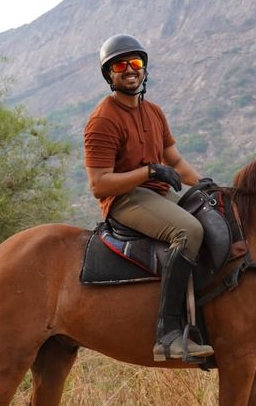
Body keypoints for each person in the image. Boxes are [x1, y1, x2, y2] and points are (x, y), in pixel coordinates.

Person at [84, 34, 214, 362]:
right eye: (120, 65)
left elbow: (175, 160)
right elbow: (100, 184)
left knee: (213, 217)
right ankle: (168, 333)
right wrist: (149, 173)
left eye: (136, 63)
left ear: (144, 69)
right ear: (109, 75)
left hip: (157, 194)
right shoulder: (103, 119)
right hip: (125, 200)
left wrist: (206, 185)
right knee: (189, 231)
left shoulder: (154, 112)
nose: (130, 70)